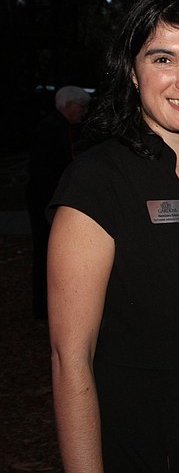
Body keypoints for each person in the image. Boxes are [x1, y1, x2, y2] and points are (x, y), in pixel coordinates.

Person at [47, 0, 179, 472]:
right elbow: (70, 359)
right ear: (131, 71)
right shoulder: (97, 183)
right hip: (141, 451)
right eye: (163, 58)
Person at [26, 85, 90, 319]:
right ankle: (43, 309)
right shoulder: (50, 129)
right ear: (68, 105)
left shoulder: (61, 128)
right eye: (81, 107)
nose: (83, 112)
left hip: (50, 198)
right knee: (45, 251)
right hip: (46, 200)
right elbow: (46, 170)